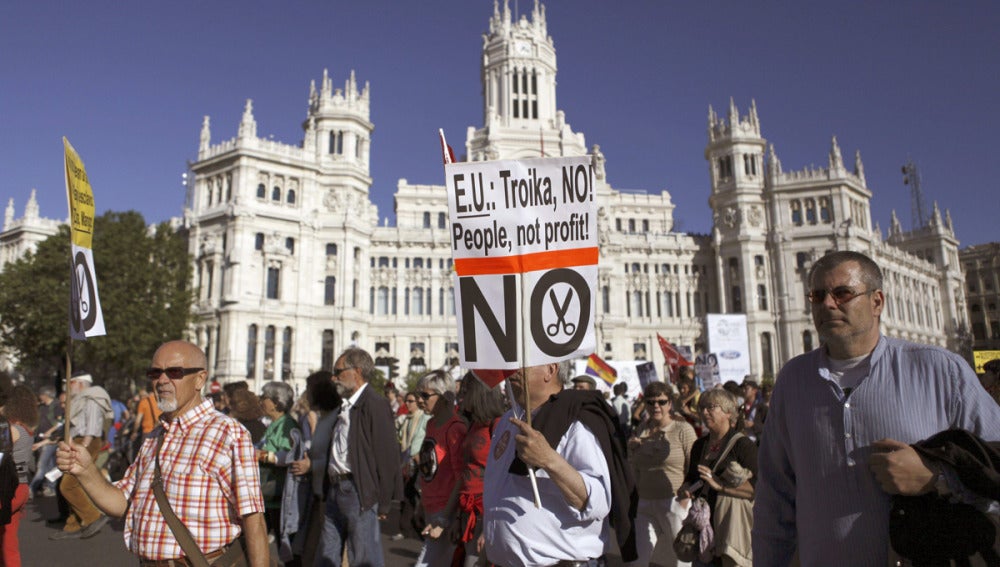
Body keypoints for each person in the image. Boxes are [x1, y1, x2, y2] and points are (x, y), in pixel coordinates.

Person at [753, 250, 1000, 566]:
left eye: (842, 293)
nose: (828, 304)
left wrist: (938, 477)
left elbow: (995, 463)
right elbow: (774, 497)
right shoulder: (793, 380)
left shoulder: (940, 370)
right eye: (817, 296)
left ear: (877, 302)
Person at [55, 340, 268, 565]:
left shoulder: (228, 433)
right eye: (155, 373)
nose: (162, 380)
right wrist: (86, 470)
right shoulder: (155, 437)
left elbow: (253, 520)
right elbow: (122, 503)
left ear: (200, 379)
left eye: (174, 372)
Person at [482, 361, 637, 566]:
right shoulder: (507, 420)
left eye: (522, 363)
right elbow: (497, 487)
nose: (512, 369)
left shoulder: (576, 423)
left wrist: (548, 459)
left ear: (550, 370)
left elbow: (597, 502)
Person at [315, 347, 400, 567]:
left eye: (339, 371)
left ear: (357, 372)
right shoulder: (345, 406)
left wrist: (383, 502)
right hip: (336, 489)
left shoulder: (374, 404)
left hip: (358, 490)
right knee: (326, 555)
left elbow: (387, 456)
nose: (334, 377)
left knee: (363, 558)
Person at [678, 389, 756, 567]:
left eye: (711, 407)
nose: (704, 412)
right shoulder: (700, 445)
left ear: (729, 413)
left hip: (730, 526)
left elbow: (758, 488)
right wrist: (686, 488)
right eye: (702, 408)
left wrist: (721, 486)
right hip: (703, 527)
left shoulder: (743, 445)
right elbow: (691, 477)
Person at [626, 381, 697, 567]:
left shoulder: (683, 429)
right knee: (637, 561)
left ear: (670, 404)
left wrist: (685, 497)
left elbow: (695, 465)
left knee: (681, 561)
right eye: (650, 402)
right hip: (645, 503)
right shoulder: (642, 429)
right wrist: (631, 451)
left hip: (673, 501)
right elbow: (634, 468)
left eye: (662, 401)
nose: (656, 406)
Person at [413, 370, 467, 567]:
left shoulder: (455, 428)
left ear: (444, 398)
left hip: (446, 511)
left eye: (425, 395)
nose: (420, 400)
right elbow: (428, 469)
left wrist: (445, 518)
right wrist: (420, 504)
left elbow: (461, 476)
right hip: (430, 506)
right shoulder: (431, 424)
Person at [287, 370, 342, 566]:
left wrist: (311, 465)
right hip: (318, 495)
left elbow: (340, 459)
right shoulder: (325, 418)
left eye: (309, 390)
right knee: (311, 554)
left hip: (331, 496)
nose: (307, 395)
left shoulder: (337, 419)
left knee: (321, 554)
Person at [51, 372, 112, 540]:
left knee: (68, 485)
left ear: (80, 383)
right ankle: (73, 525)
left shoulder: (91, 399)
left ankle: (93, 517)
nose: (67, 387)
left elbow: (92, 426)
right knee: (73, 482)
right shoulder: (81, 399)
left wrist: (83, 446)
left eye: (70, 383)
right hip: (79, 441)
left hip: (86, 442)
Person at [1, 385, 40, 567]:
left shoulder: (10, 429)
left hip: (7, 488)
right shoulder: (25, 430)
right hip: (21, 488)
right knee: (8, 541)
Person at [257, 381, 300, 545]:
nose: (261, 400)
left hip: (277, 492)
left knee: (285, 544)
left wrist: (262, 455)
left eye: (264, 397)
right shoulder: (274, 424)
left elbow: (289, 454)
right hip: (268, 493)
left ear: (276, 402)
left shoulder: (287, 424)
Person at [396, 390, 429, 539]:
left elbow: (425, 440)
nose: (407, 404)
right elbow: (403, 440)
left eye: (410, 401)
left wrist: (421, 458)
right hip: (407, 463)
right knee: (407, 497)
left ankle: (424, 530)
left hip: (419, 463)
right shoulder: (407, 420)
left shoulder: (425, 418)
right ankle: (405, 529)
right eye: (406, 401)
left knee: (420, 498)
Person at [29, 385, 61, 497]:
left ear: (45, 395)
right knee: (50, 465)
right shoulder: (42, 407)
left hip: (51, 440)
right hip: (39, 439)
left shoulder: (57, 406)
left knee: (41, 465)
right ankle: (49, 487)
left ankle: (31, 488)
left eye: (41, 395)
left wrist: (50, 432)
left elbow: (60, 422)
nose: (40, 397)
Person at [739, 378, 765, 444]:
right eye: (743, 389)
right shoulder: (741, 408)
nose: (744, 391)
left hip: (758, 443)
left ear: (754, 391)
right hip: (745, 442)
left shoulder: (762, 407)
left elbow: (769, 426)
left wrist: (753, 425)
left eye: (747, 389)